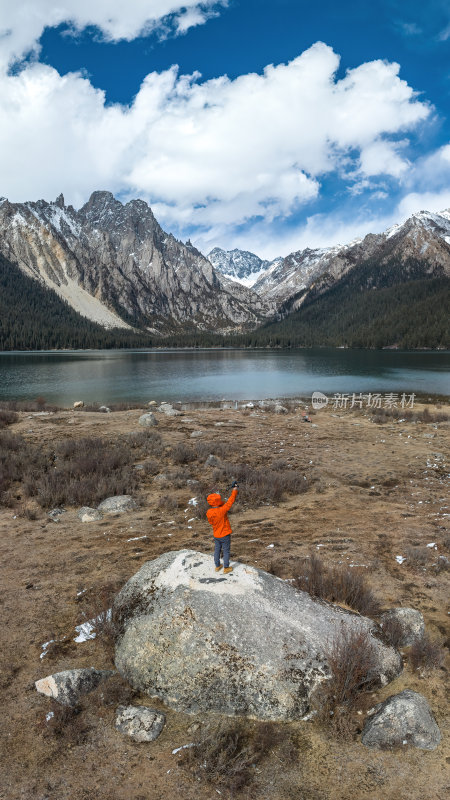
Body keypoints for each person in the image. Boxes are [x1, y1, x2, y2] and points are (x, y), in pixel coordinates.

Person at [206, 481, 238, 574]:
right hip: (225, 534)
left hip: (216, 535)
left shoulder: (209, 512)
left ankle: (217, 566)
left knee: (217, 550)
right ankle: (226, 567)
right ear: (218, 501)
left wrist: (219, 503)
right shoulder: (222, 510)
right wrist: (234, 490)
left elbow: (211, 521)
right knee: (226, 551)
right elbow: (230, 500)